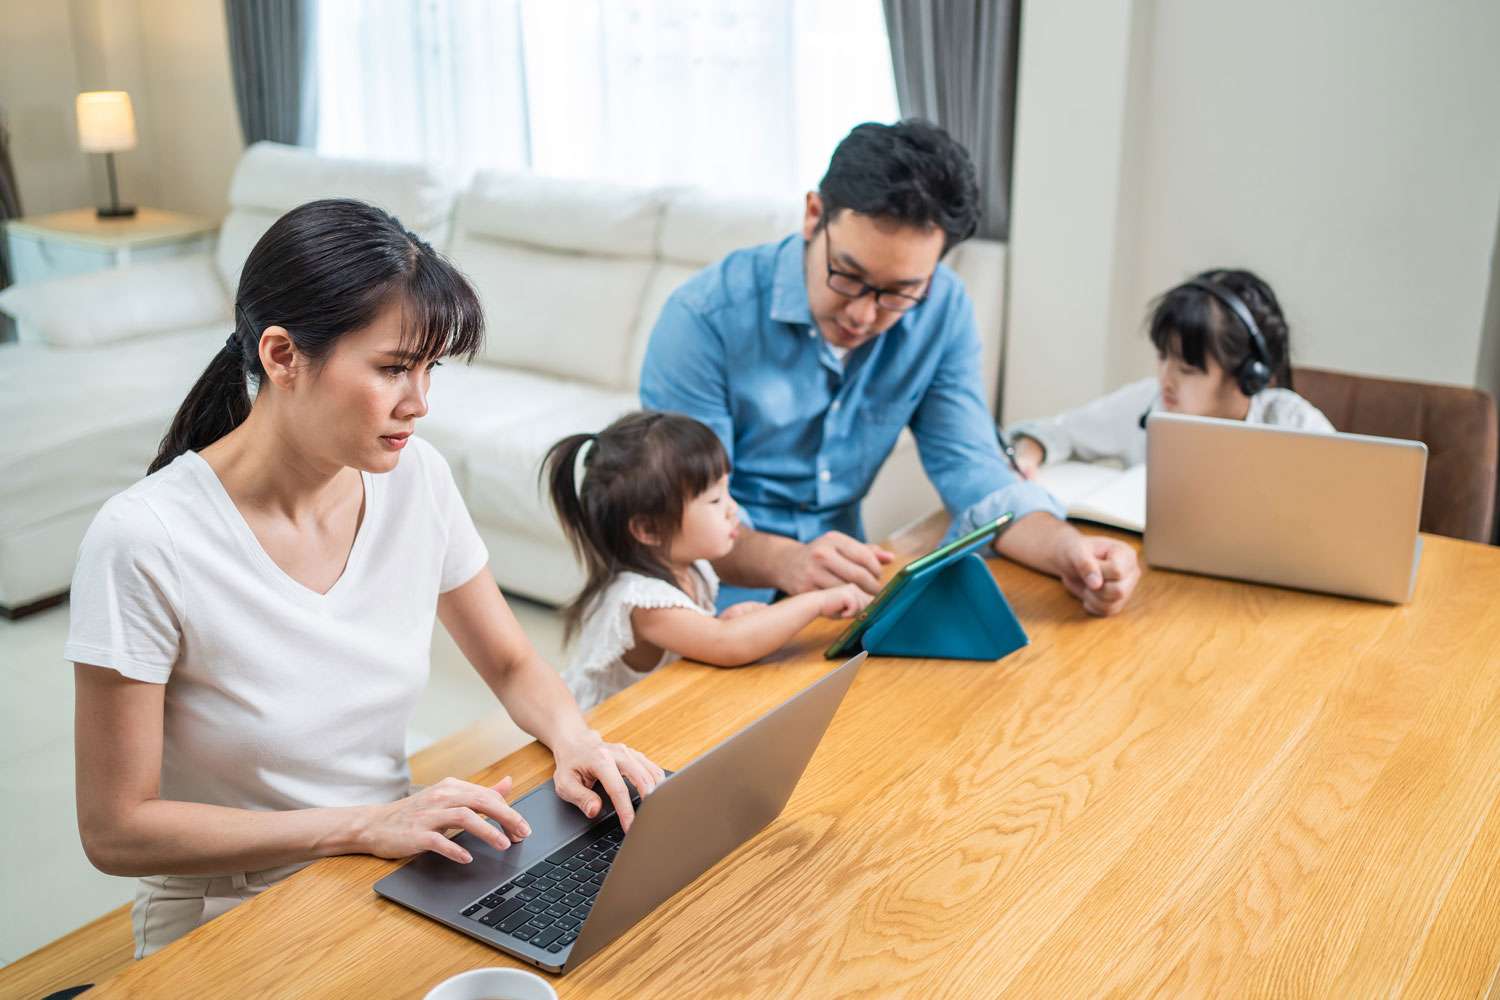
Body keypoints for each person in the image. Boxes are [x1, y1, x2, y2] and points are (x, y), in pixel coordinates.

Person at [67, 199, 663, 958]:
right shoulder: (145, 540)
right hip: (232, 911)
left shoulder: (416, 479)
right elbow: (116, 830)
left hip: (387, 873)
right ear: (283, 357)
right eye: (391, 369)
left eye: (429, 368)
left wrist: (576, 738)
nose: (419, 403)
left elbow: (511, 661)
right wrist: (361, 826)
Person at [640, 119, 1140, 617]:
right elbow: (683, 520)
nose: (862, 315)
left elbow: (972, 468)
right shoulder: (703, 319)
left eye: (900, 292)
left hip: (846, 597)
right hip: (708, 604)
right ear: (814, 216)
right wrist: (787, 562)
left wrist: (1070, 552)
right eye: (849, 275)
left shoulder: (942, 312)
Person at [543, 411, 871, 710]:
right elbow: (726, 645)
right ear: (649, 528)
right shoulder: (642, 601)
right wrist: (816, 602)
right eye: (715, 499)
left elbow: (707, 636)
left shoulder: (692, 565)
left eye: (727, 492)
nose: (733, 509)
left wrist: (728, 620)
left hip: (664, 707)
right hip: (612, 733)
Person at [1005, 269, 1334, 476]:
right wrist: (1032, 447)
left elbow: (1346, 495)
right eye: (1163, 357)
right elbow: (1062, 430)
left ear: (1248, 378)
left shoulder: (1291, 423)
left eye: (1188, 369)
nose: (1166, 378)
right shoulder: (1150, 403)